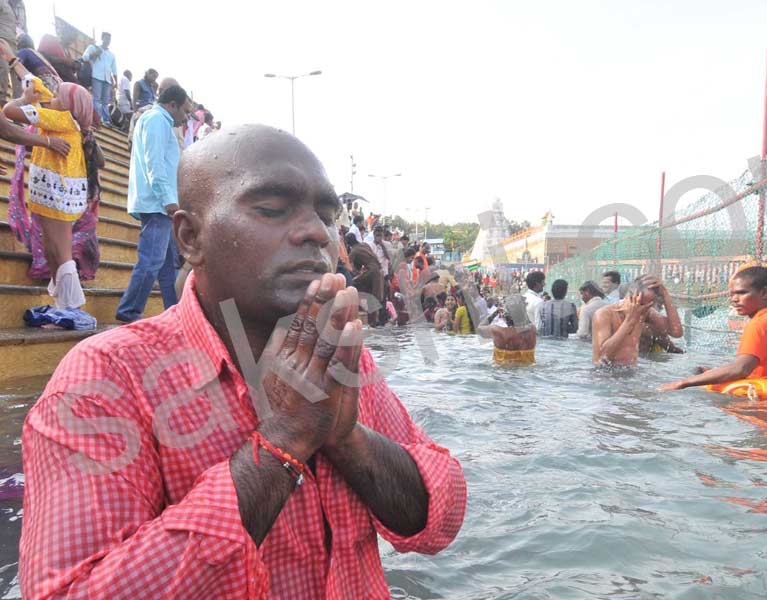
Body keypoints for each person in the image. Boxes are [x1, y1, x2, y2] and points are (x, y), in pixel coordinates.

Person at [20, 124, 465, 598]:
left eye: (327, 215)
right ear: (190, 238)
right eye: (272, 209)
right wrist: (285, 440)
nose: (317, 232)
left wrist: (345, 437)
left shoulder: (340, 356)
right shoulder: (106, 380)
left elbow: (440, 517)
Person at [1, 56, 97, 309]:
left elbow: (9, 112)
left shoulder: (60, 119)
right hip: (56, 195)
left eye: (57, 98)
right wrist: (12, 60)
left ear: (66, 105)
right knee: (52, 250)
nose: (50, 98)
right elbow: (36, 85)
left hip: (57, 197)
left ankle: (71, 308)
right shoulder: (66, 117)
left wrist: (24, 100)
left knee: (60, 252)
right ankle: (62, 307)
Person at [115, 85, 191, 322]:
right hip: (158, 204)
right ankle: (129, 312)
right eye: (185, 111)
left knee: (168, 267)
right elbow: (154, 164)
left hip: (162, 204)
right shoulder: (157, 119)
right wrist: (168, 200)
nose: (186, 117)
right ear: (173, 105)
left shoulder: (159, 120)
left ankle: (174, 313)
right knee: (151, 262)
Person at [660, 265, 767, 390]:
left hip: (755, 402)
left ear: (765, 293)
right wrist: (712, 372)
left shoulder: (759, 324)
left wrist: (684, 383)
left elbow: (741, 369)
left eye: (742, 293)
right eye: (732, 294)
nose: (734, 299)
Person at [591, 282, 653, 366]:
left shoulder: (645, 312)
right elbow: (603, 356)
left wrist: (664, 293)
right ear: (630, 299)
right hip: (605, 373)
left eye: (649, 305)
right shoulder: (603, 314)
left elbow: (675, 332)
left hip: (631, 371)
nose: (645, 309)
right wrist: (629, 322)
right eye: (642, 304)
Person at [480, 294, 537, 365]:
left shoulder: (497, 331)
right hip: (526, 372)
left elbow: (480, 327)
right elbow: (525, 320)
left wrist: (496, 312)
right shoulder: (532, 330)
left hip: (502, 373)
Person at [636, 274, 685, 353]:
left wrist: (665, 293)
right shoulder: (614, 313)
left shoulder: (650, 314)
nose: (645, 307)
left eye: (650, 303)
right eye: (642, 303)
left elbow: (677, 332)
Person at [81, 32, 117, 127]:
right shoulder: (93, 47)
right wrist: (95, 54)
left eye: (109, 39)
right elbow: (84, 57)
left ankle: (106, 120)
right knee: (96, 99)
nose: (107, 41)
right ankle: (97, 119)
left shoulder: (111, 54)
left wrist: (115, 81)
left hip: (107, 79)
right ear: (102, 38)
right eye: (106, 38)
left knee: (105, 101)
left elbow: (114, 69)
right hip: (96, 76)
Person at [350, 242, 387, 327]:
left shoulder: (354, 251)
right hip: (379, 272)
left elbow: (351, 266)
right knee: (375, 295)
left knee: (353, 283)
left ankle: (371, 321)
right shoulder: (364, 245)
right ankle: (375, 321)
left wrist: (355, 275)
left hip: (371, 272)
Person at [0, 2, 19, 100]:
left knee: (14, 78)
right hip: (2, 41)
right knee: (2, 71)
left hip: (12, 45)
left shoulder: (11, 6)